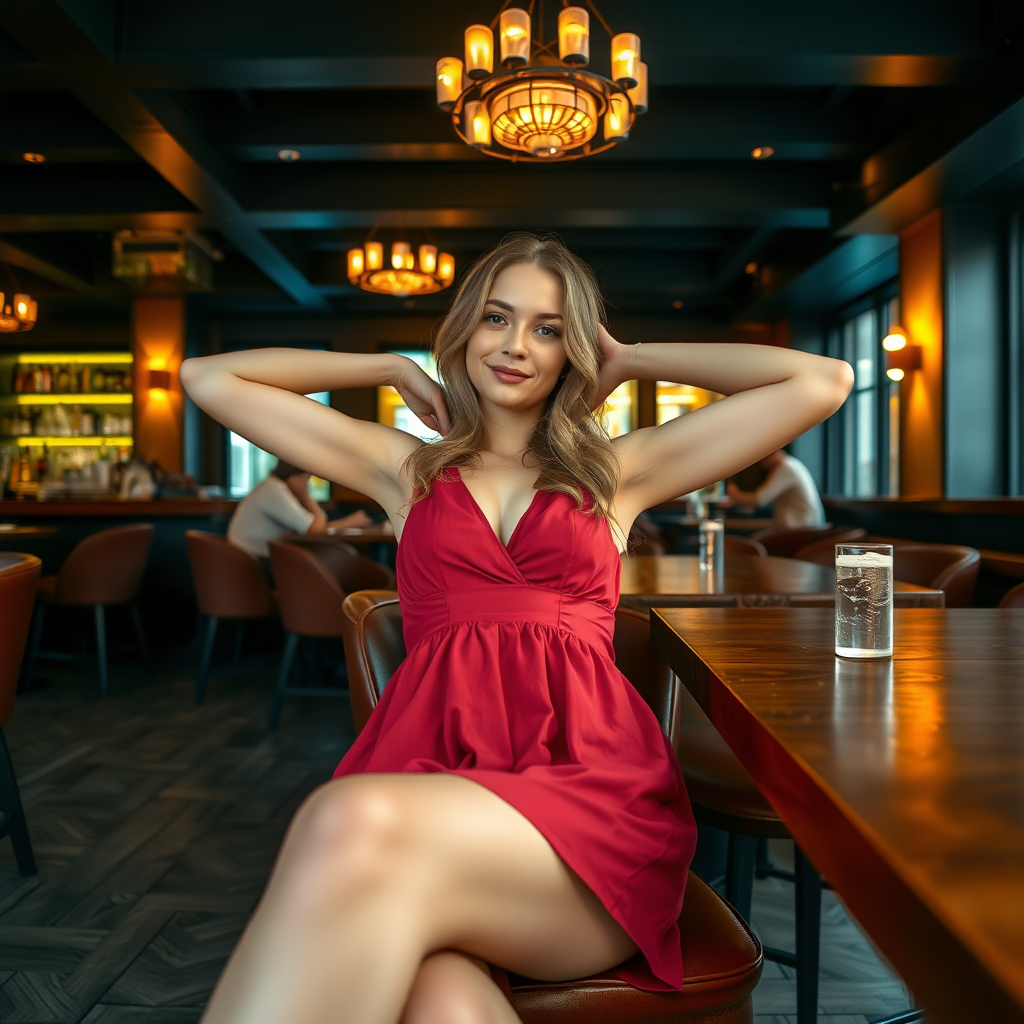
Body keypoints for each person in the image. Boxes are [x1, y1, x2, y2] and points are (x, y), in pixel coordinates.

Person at [181, 232, 852, 1024]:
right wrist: (390, 369)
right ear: (464, 328)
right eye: (497, 318)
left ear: (574, 349)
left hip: (586, 804)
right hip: (433, 785)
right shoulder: (406, 471)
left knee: (348, 814)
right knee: (442, 998)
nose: (516, 346)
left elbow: (822, 379)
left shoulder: (619, 473)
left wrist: (631, 357)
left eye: (547, 328)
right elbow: (207, 376)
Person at [226, 459, 372, 567]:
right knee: (326, 566)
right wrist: (305, 495)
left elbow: (312, 528)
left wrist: (347, 523)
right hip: (251, 564)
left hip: (248, 561)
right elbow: (314, 529)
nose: (306, 484)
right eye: (306, 479)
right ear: (295, 475)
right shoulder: (274, 491)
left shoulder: (273, 488)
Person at [726, 448, 826, 528]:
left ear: (774, 451)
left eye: (763, 456)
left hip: (801, 531)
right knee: (734, 525)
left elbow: (758, 500)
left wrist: (733, 493)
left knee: (734, 528)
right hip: (801, 527)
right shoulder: (792, 464)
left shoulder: (786, 467)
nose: (760, 461)